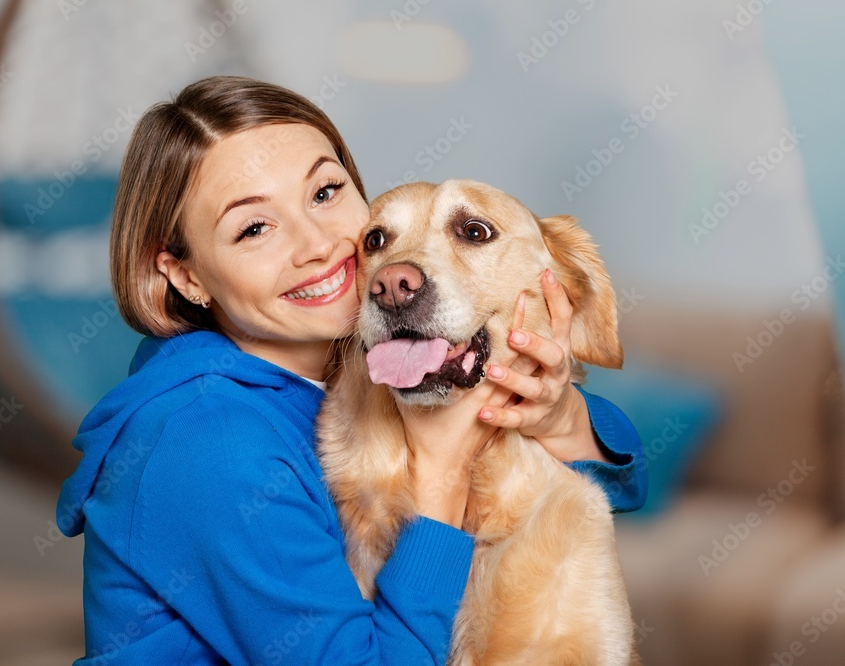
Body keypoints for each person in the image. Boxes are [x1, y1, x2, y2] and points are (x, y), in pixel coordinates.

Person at [56, 75, 647, 665]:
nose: (317, 244)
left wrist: (558, 414)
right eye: (254, 228)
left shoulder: (357, 363)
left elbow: (624, 486)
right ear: (186, 276)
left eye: (324, 193)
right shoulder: (208, 440)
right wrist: (442, 470)